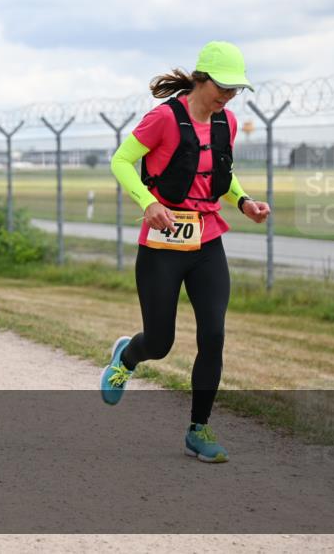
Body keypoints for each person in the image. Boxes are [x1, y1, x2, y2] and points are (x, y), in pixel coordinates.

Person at [102, 41, 271, 463]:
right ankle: (127, 356)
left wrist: (244, 201)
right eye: (223, 86)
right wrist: (148, 203)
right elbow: (121, 161)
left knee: (213, 335)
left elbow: (221, 174)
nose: (229, 95)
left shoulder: (227, 122)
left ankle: (198, 429)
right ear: (201, 79)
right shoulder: (164, 119)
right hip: (163, 244)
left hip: (207, 241)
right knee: (160, 342)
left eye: (235, 89)